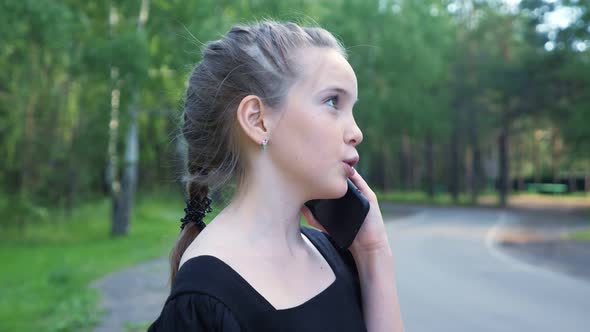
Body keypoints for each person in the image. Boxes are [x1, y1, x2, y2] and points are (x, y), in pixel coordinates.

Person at [148, 19, 404, 332]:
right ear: (257, 120)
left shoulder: (336, 255)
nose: (356, 132)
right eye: (332, 101)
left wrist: (373, 253)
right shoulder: (203, 300)